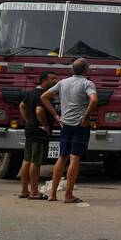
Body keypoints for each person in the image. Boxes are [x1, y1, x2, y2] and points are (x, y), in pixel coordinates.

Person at [42, 59, 97, 204]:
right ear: (85, 70)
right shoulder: (87, 83)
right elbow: (94, 100)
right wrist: (86, 117)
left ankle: (52, 194)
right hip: (80, 125)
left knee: (62, 157)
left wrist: (55, 116)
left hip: (65, 124)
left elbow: (44, 97)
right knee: (75, 158)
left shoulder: (62, 83)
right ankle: (68, 195)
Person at [18, 71, 58, 200]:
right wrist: (45, 125)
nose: (55, 81)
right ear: (43, 80)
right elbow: (39, 110)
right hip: (39, 132)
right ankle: (34, 192)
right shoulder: (44, 95)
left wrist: (28, 120)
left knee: (26, 160)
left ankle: (24, 190)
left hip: (30, 130)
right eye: (52, 79)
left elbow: (22, 106)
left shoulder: (30, 93)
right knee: (36, 162)